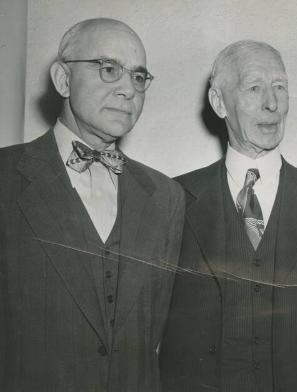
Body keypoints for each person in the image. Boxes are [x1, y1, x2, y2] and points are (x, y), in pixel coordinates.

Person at [160, 40, 297, 392]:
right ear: (218, 102)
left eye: (280, 87)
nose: (272, 103)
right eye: (255, 88)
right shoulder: (173, 198)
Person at [0, 18, 184, 391]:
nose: (127, 90)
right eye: (109, 69)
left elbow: (153, 332)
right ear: (63, 79)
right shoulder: (5, 177)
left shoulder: (167, 197)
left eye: (138, 77)